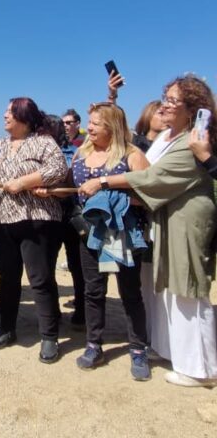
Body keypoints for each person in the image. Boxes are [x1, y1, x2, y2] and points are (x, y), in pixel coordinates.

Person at [79, 76, 217, 387]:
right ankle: (169, 350)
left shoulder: (194, 140)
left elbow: (153, 178)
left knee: (187, 289)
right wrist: (111, 100)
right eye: (165, 98)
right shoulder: (168, 135)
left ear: (193, 108)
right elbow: (122, 136)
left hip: (185, 221)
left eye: (173, 100)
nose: (164, 105)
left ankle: (200, 368)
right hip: (165, 219)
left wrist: (103, 182)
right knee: (165, 290)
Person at [0, 97, 67, 363]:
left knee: (40, 279)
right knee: (7, 277)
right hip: (4, 221)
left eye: (11, 112)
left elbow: (59, 169)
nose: (5, 115)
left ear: (25, 118)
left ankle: (49, 336)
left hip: (36, 219)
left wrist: (24, 181)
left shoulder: (43, 142)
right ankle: (7, 328)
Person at [69, 103, 151, 381]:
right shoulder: (81, 153)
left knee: (129, 292)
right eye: (89, 122)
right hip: (91, 234)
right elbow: (71, 188)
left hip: (122, 232)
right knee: (93, 290)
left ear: (113, 127)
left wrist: (107, 188)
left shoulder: (132, 155)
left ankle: (138, 349)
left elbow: (150, 193)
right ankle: (94, 345)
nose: (89, 128)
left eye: (96, 123)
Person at [45, 114, 85, 329]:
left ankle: (80, 310)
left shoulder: (76, 151)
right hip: (51, 214)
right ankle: (53, 311)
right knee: (48, 265)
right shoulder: (42, 151)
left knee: (76, 265)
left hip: (69, 212)